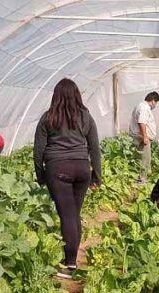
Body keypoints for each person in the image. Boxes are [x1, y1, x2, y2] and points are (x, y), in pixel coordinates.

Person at [34, 78, 102, 279]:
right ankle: (71, 260)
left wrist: (41, 176)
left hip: (58, 169)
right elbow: (94, 148)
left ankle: (70, 264)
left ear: (55, 96)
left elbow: (38, 150)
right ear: (77, 95)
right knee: (74, 214)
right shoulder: (86, 117)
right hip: (82, 169)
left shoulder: (48, 118)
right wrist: (96, 176)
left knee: (67, 216)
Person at [129, 91, 159, 183]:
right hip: (141, 138)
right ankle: (142, 179)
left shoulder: (140, 106)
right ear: (153, 101)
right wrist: (145, 137)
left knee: (140, 158)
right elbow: (141, 122)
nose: (155, 105)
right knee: (145, 159)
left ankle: (138, 178)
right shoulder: (144, 107)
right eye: (156, 103)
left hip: (139, 136)